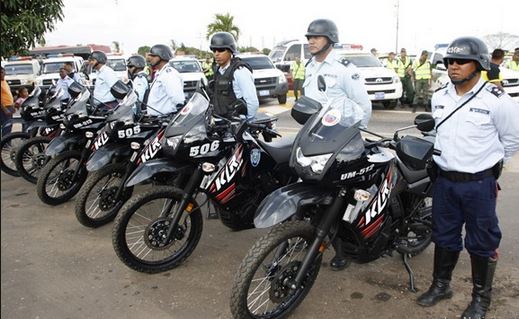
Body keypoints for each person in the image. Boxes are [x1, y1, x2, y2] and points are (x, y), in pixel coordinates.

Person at [416, 37, 519, 319]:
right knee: (444, 235)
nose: (453, 66)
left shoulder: (497, 101)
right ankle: (441, 286)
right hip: (445, 182)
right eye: (449, 61)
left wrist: (493, 166)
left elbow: (512, 139)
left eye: (460, 61)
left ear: (480, 63)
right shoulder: (440, 96)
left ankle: (480, 299)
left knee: (481, 241)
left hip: (478, 184)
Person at [303, 18, 371, 270]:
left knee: (339, 198)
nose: (310, 41)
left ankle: (342, 251)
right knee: (312, 195)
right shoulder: (309, 66)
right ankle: (302, 244)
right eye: (309, 36)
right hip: (314, 139)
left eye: (316, 37)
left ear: (330, 39)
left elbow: (363, 105)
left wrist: (355, 134)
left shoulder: (344, 68)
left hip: (340, 140)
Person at [209, 31, 259, 119]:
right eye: (214, 50)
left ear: (230, 51)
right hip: (222, 123)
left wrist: (246, 124)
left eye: (221, 50)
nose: (216, 53)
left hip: (237, 124)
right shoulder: (218, 71)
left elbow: (252, 102)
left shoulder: (240, 71)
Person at [146, 44, 185, 116]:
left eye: (153, 56)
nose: (150, 58)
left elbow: (178, 100)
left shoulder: (169, 74)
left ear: (162, 56)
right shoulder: (160, 73)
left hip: (164, 120)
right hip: (155, 121)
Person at [1, 66, 15, 137]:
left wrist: (13, 105)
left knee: (9, 125)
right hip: (4, 107)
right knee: (6, 126)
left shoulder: (4, 82)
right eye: (2, 73)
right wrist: (5, 109)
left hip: (9, 106)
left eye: (4, 72)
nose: (4, 74)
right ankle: (5, 143)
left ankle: (7, 142)